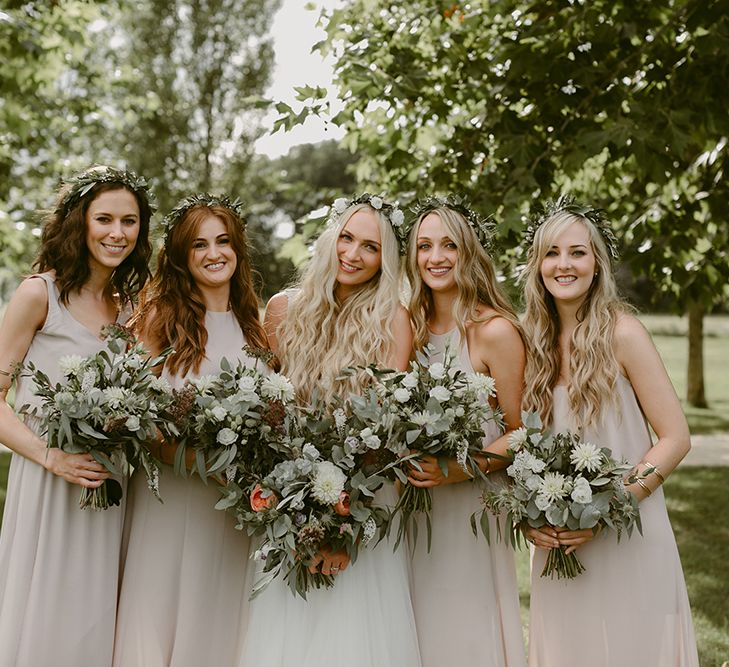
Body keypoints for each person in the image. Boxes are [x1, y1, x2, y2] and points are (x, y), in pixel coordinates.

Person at [240, 193, 422, 667]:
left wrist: (341, 527)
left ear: (387, 260)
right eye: (346, 238)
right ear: (330, 239)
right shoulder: (283, 310)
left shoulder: (393, 320)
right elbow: (265, 413)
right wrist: (289, 505)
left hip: (358, 505)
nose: (353, 254)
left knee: (353, 640)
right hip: (287, 503)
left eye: (371, 247)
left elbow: (384, 431)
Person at [521, 197, 699, 667]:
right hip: (558, 542)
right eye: (552, 253)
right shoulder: (530, 341)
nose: (564, 265)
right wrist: (528, 514)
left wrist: (608, 510)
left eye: (578, 253)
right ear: (538, 265)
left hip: (627, 531)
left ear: (597, 264)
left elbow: (675, 437)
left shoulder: (623, 333)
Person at [0, 165, 153, 666]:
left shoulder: (131, 307)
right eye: (104, 219)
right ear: (79, 223)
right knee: (48, 614)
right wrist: (52, 458)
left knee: (96, 620)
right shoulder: (38, 295)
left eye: (129, 221)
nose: (117, 233)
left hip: (112, 486)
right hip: (51, 483)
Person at [113, 194, 270, 666]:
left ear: (237, 250)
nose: (213, 253)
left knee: (221, 614)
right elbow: (132, 414)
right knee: (161, 609)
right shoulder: (160, 317)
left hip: (234, 509)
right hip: (173, 498)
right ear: (181, 256)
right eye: (199, 245)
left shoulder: (254, 325)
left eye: (223, 241)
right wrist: (201, 462)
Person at [404, 197, 527, 667]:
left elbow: (522, 433)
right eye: (424, 246)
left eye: (449, 245)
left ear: (468, 252)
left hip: (471, 508)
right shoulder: (408, 329)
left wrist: (456, 469)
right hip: (412, 509)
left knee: (463, 632)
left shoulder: (495, 332)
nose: (435, 258)